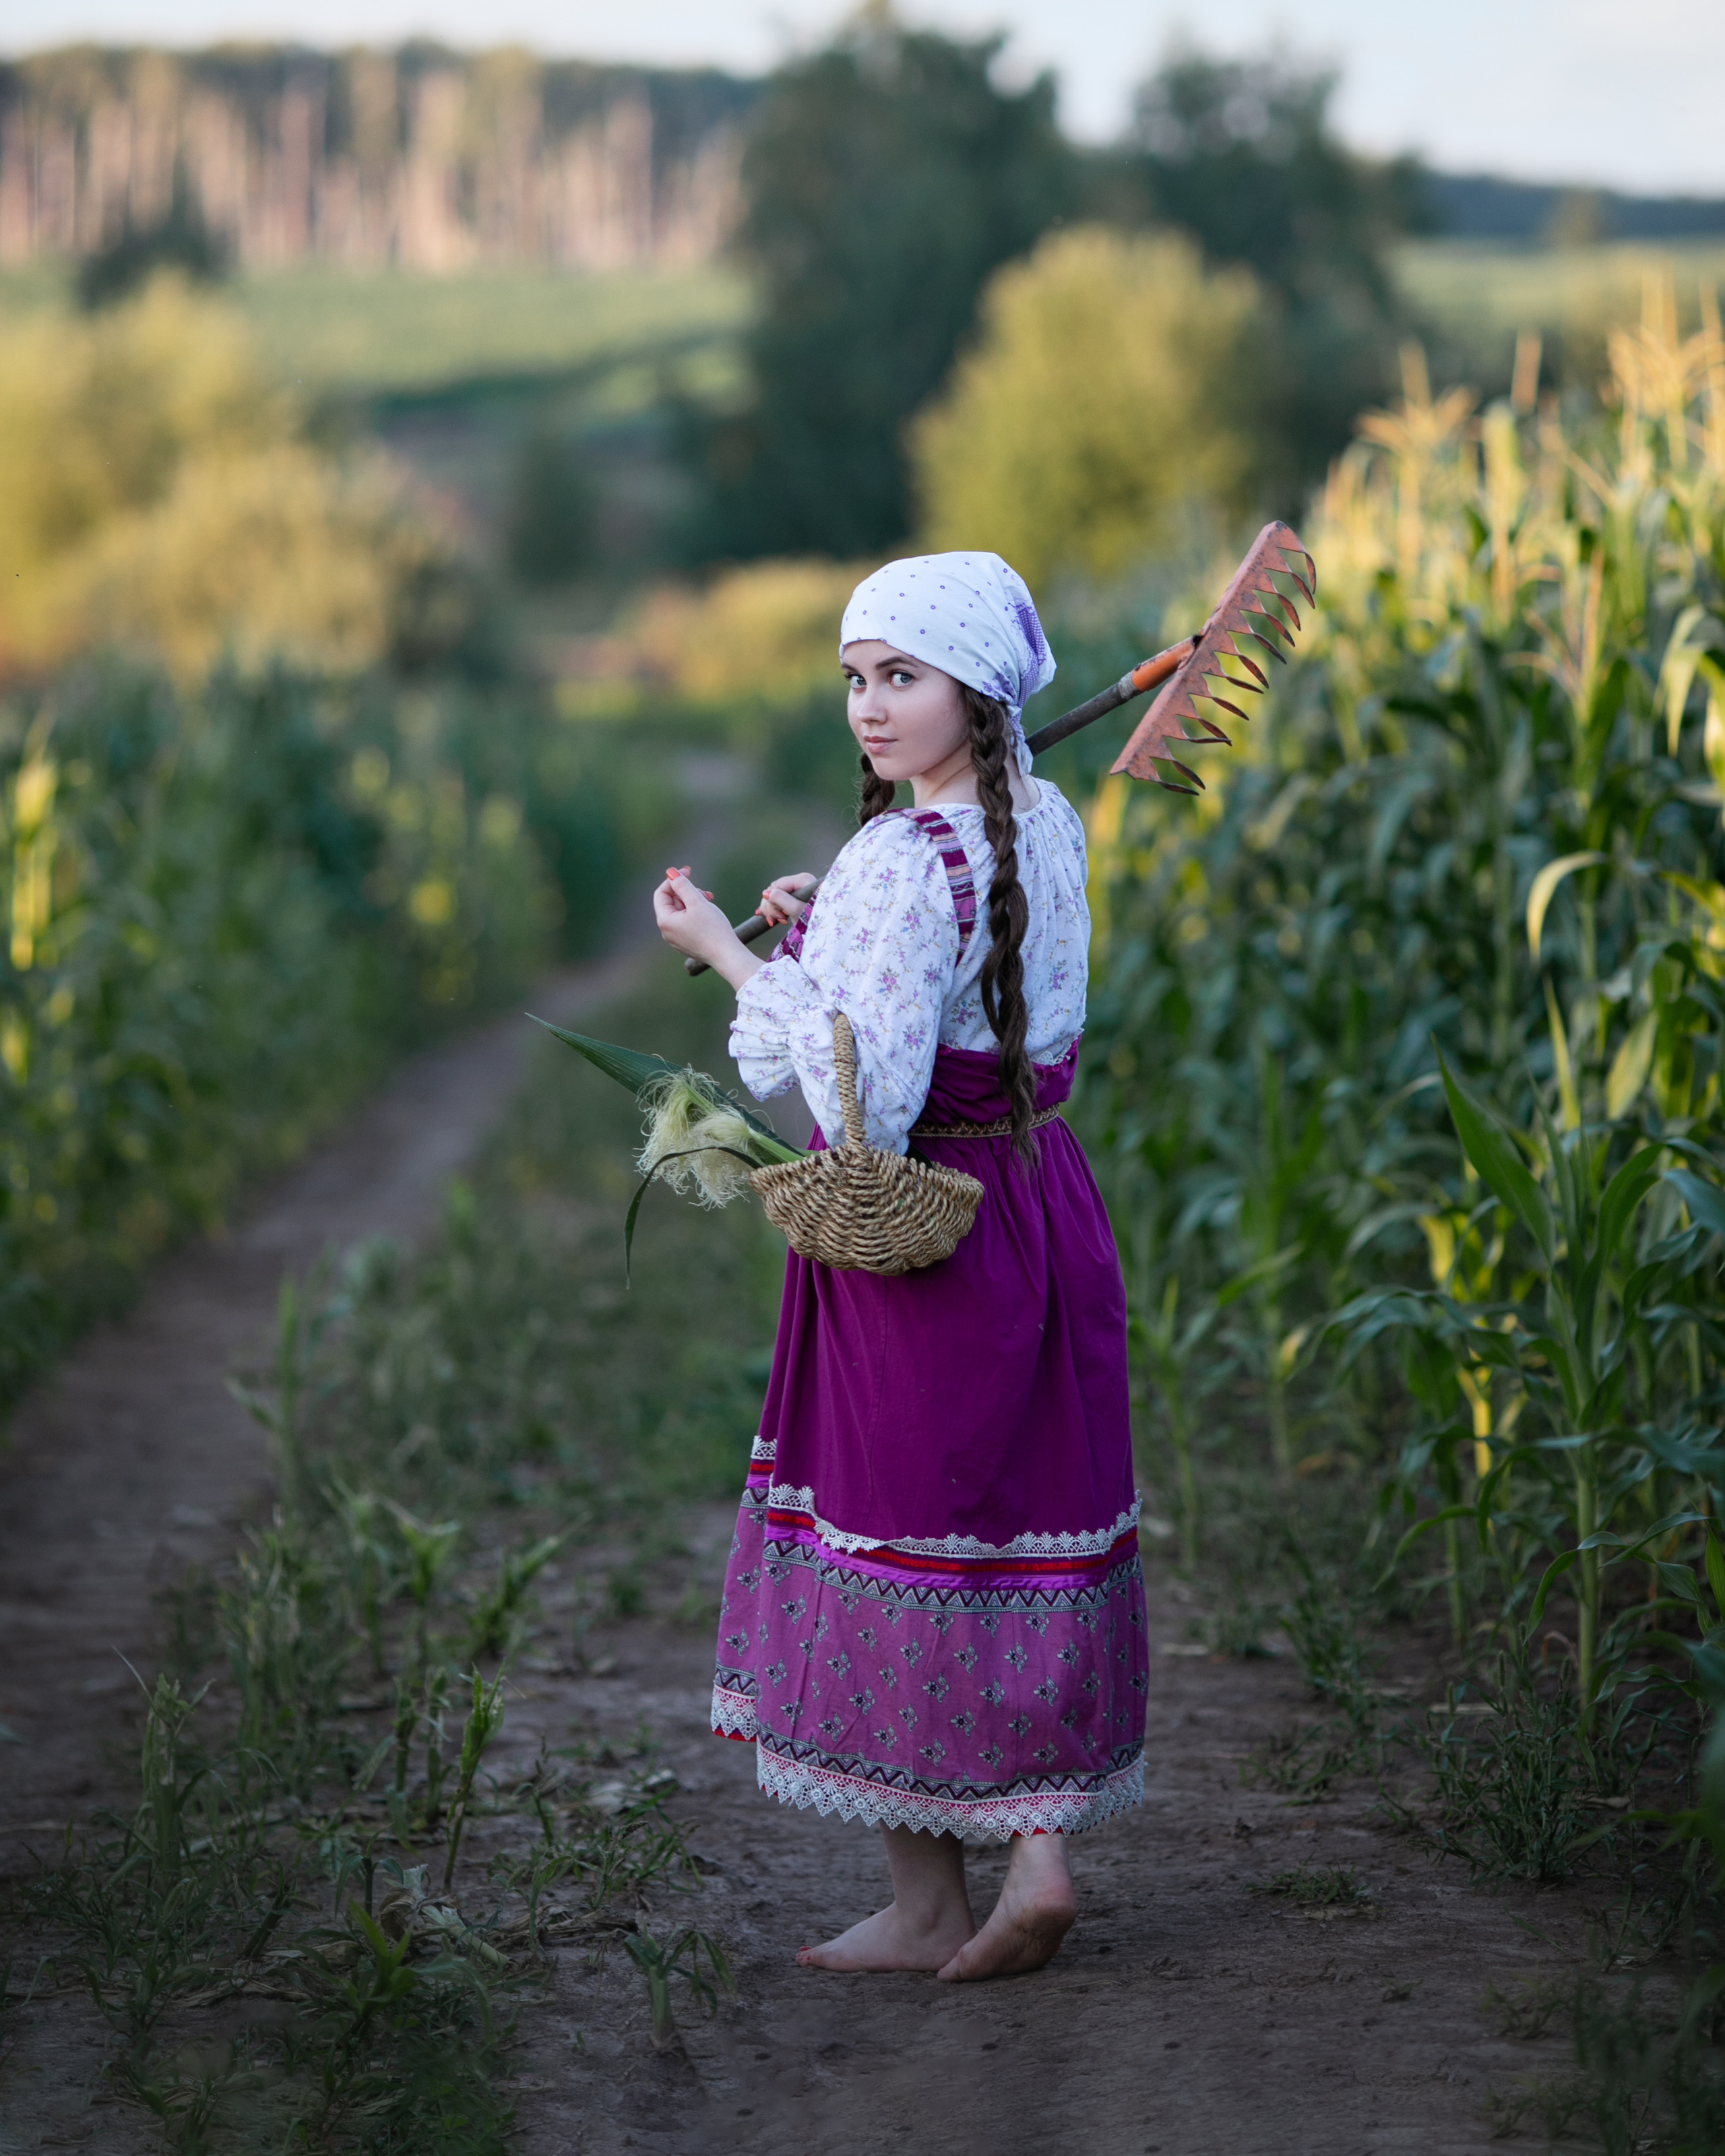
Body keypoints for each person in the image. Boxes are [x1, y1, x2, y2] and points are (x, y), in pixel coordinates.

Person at [652, 553, 1146, 1981]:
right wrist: (828, 933)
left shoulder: (897, 859)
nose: (867, 707)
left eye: (901, 677)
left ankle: (936, 1900)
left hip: (919, 1220)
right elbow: (956, 995)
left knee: (894, 1524)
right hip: (1039, 1196)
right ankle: (1031, 1857)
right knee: (1013, 1519)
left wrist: (734, 957)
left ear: (974, 689)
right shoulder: (1041, 821)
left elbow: (858, 1079)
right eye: (856, 679)